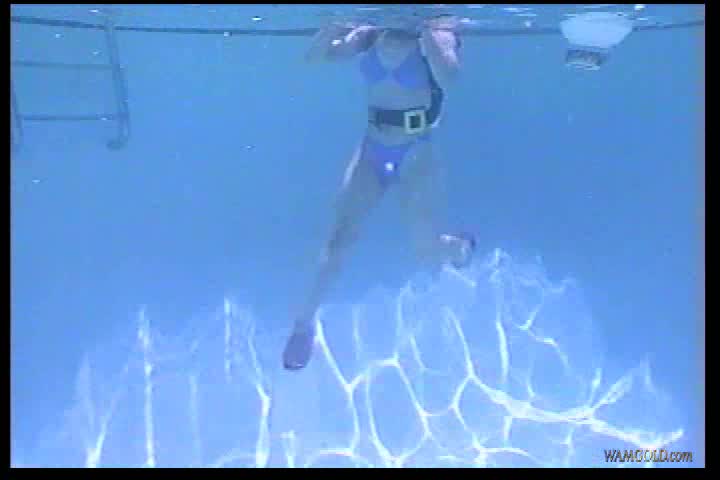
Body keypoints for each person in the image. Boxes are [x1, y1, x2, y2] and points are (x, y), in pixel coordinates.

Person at [283, 15, 476, 371]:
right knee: (338, 240)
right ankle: (303, 325)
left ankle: (457, 246)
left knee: (426, 252)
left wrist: (430, 36)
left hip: (417, 153)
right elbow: (314, 57)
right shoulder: (369, 33)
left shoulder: (436, 31)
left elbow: (451, 77)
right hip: (372, 149)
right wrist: (331, 24)